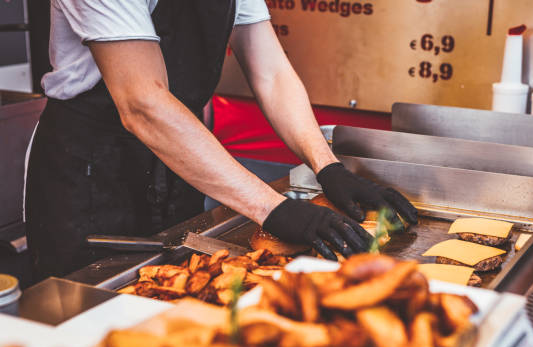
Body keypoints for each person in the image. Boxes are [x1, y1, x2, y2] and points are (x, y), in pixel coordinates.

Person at [25, 0, 418, 283]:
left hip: (183, 164)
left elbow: (272, 73)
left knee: (183, 293)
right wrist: (273, 209)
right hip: (92, 173)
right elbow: (143, 102)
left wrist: (326, 165)